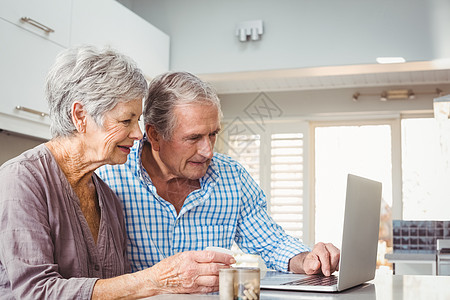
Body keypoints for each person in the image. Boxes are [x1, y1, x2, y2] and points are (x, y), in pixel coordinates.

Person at [0, 47, 235, 299]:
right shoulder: (21, 181)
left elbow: (115, 290)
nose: (138, 134)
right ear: (81, 116)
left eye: (138, 121)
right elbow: (35, 292)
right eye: (126, 121)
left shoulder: (107, 197)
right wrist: (155, 279)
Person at [97, 71, 340, 277]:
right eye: (194, 138)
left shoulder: (232, 177)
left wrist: (308, 259)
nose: (208, 151)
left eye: (213, 134)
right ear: (155, 135)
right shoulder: (109, 177)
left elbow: (272, 243)